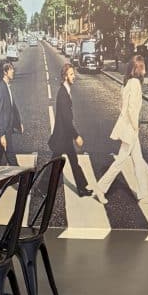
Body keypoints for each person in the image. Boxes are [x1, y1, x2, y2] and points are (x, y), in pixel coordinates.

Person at [93, 54, 148, 205]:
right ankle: (100, 188)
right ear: (137, 68)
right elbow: (132, 109)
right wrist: (135, 126)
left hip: (127, 126)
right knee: (120, 161)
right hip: (130, 129)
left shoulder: (127, 83)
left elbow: (121, 106)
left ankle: (143, 194)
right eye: (142, 66)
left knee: (138, 161)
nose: (145, 69)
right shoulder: (135, 84)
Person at [48, 63, 91, 196]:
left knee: (73, 161)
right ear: (65, 76)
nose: (74, 76)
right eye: (71, 74)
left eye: (74, 74)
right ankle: (41, 188)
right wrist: (76, 136)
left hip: (64, 137)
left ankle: (82, 188)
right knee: (54, 165)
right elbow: (66, 120)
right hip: (62, 137)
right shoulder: (63, 93)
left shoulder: (65, 91)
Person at [0, 60, 22, 165]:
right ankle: (21, 179)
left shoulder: (6, 86)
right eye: (11, 69)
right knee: (12, 159)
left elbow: (12, 108)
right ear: (5, 72)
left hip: (7, 129)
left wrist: (19, 123)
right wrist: (2, 134)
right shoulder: (1, 89)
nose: (13, 71)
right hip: (4, 131)